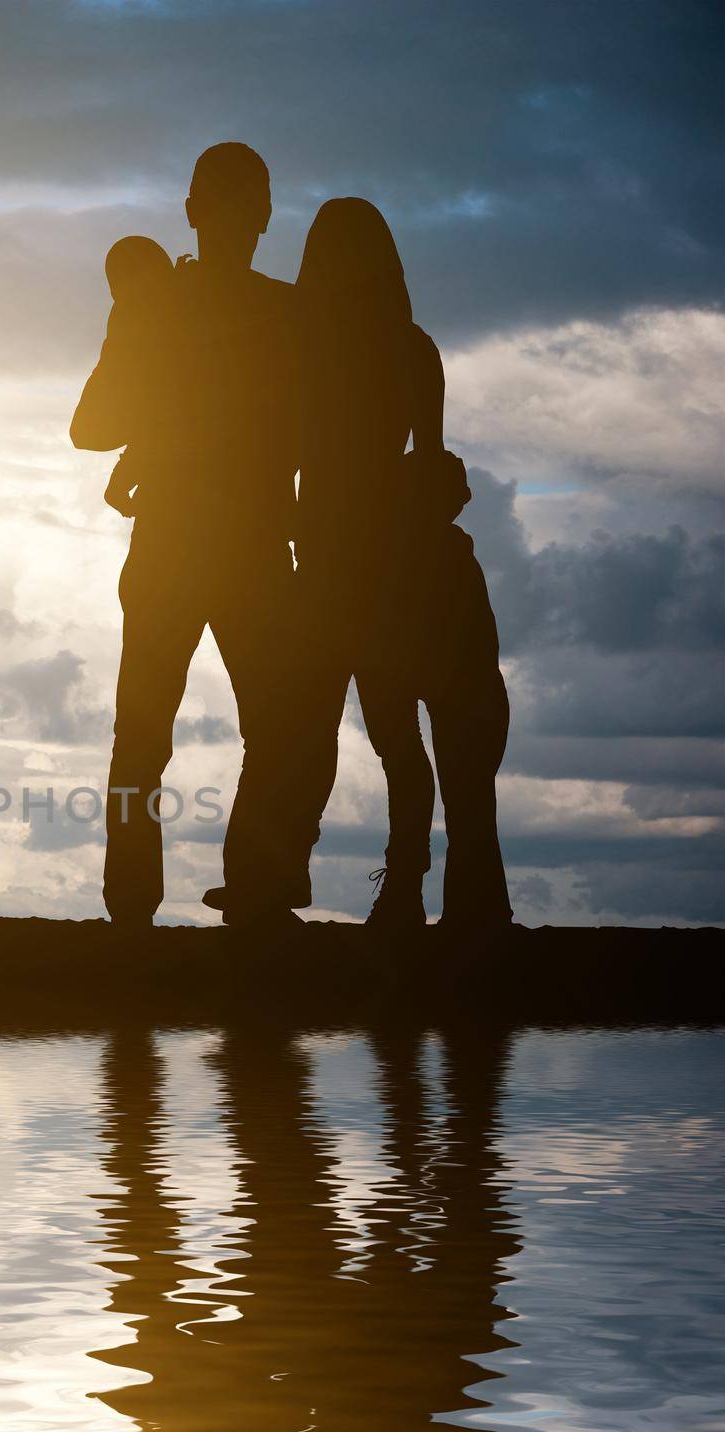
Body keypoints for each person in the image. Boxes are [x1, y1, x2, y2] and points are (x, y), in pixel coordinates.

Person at [70, 143, 308, 930]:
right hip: (247, 550)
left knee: (146, 735)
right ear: (265, 216)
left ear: (190, 211)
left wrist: (160, 423)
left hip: (179, 544)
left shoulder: (153, 307)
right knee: (271, 729)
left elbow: (93, 426)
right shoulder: (286, 315)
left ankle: (135, 908)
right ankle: (256, 893)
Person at [288, 198, 512, 930]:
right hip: (405, 559)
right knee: (436, 753)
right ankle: (445, 900)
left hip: (353, 570)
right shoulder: (413, 348)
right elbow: (432, 461)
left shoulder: (307, 351)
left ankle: (406, 892)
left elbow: (297, 464)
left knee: (397, 748)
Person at [98, 235, 175, 517]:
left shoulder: (160, 329)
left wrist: (120, 482)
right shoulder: (137, 327)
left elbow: (157, 424)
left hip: (170, 496)